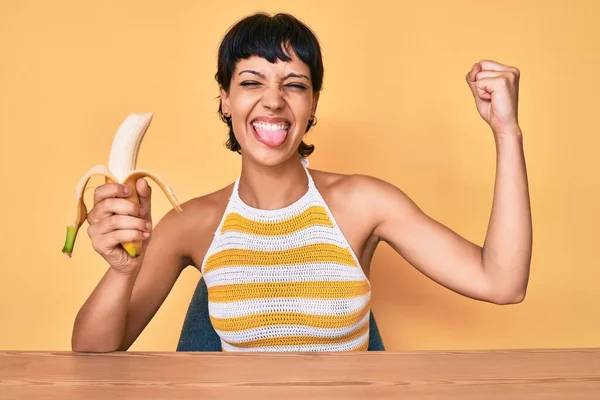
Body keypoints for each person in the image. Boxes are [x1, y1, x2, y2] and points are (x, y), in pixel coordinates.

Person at [71, 12, 532, 353]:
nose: (273, 101)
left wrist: (506, 132)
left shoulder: (364, 203)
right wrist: (122, 270)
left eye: (294, 84)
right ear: (226, 100)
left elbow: (502, 282)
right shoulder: (191, 223)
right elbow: (92, 355)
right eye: (251, 82)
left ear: (312, 106)